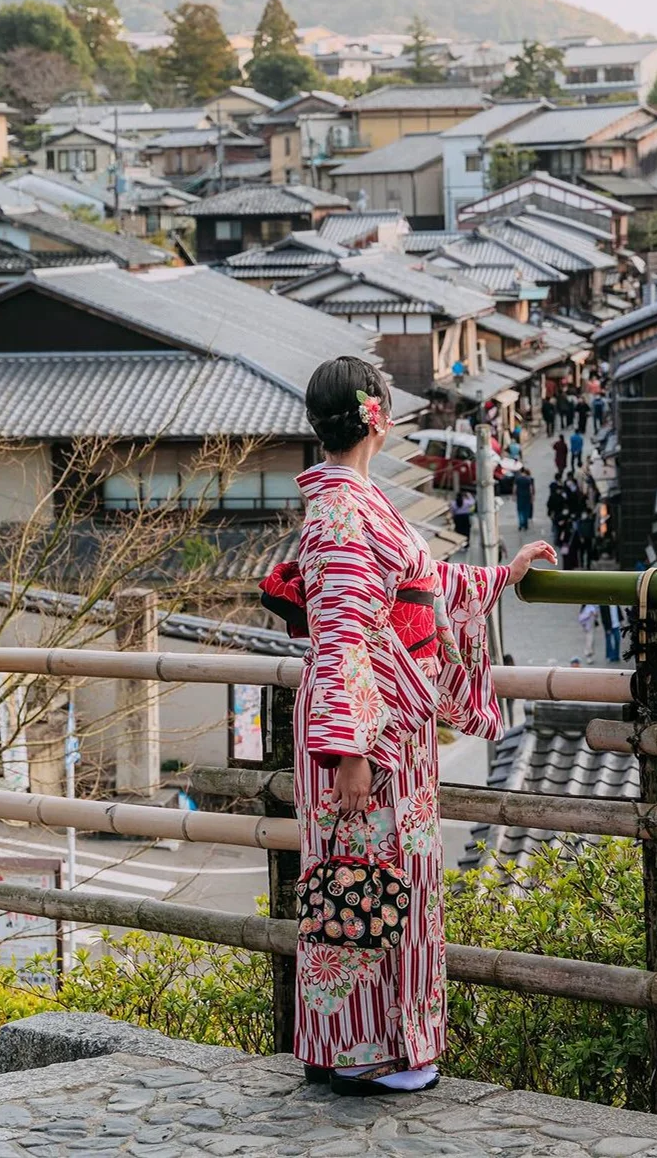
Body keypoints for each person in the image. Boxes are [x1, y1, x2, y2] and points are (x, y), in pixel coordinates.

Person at [259, 355, 556, 1096]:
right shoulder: (342, 511)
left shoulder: (353, 502)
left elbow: (426, 586)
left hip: (376, 727)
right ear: (378, 419)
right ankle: (367, 1050)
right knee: (367, 885)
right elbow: (345, 631)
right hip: (365, 738)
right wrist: (350, 750)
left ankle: (361, 1044)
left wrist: (501, 575)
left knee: (373, 886)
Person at [513, 466, 535, 532]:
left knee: (520, 510)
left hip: (520, 496)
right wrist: (532, 497)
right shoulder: (528, 479)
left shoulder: (517, 479)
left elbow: (515, 488)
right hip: (527, 496)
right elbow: (531, 489)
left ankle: (520, 524)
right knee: (526, 510)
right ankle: (525, 524)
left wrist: (514, 495)